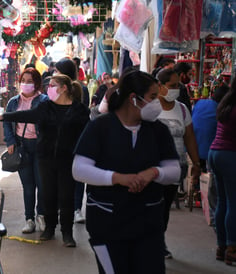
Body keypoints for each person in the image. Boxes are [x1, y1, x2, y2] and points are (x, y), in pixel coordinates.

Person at [72, 70, 180, 273]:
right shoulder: (100, 127)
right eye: (153, 97)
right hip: (107, 222)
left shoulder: (158, 131)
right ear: (134, 99)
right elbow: (79, 169)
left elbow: (174, 170)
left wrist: (154, 173)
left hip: (148, 223)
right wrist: (117, 178)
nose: (158, 102)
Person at [0, 74, 90, 247]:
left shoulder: (79, 110)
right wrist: (4, 117)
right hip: (45, 157)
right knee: (48, 194)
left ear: (64, 88)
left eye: (52, 85)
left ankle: (67, 232)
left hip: (68, 159)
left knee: (66, 195)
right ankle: (49, 229)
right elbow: (26, 115)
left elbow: (87, 134)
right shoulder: (46, 107)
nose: (48, 88)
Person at [156, 68, 201, 258]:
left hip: (175, 168)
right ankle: (149, 242)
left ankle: (159, 243)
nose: (175, 89)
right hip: (152, 168)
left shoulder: (181, 109)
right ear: (160, 86)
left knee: (165, 207)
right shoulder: (150, 107)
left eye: (178, 86)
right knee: (152, 206)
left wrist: (196, 164)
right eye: (172, 86)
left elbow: (189, 137)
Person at [3, 68, 48, 233]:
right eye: (23, 80)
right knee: (28, 186)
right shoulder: (13, 102)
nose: (25, 84)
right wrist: (10, 141)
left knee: (42, 184)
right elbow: (7, 121)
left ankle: (41, 215)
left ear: (36, 83)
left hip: (40, 146)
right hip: (22, 147)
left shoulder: (44, 101)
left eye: (29, 81)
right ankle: (29, 219)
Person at [55, 57, 89, 223]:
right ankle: (66, 207)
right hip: (60, 139)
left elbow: (85, 112)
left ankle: (76, 208)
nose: (55, 74)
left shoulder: (81, 88)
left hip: (77, 137)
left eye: (57, 71)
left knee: (78, 174)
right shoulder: (55, 89)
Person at [208, 77, 236, 265]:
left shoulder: (226, 102)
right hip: (229, 155)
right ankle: (232, 248)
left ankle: (221, 246)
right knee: (233, 202)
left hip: (215, 153)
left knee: (223, 201)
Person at [192, 85, 228, 227]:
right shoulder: (222, 110)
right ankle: (214, 215)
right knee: (218, 187)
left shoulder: (200, 103)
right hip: (211, 152)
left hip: (194, 150)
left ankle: (197, 193)